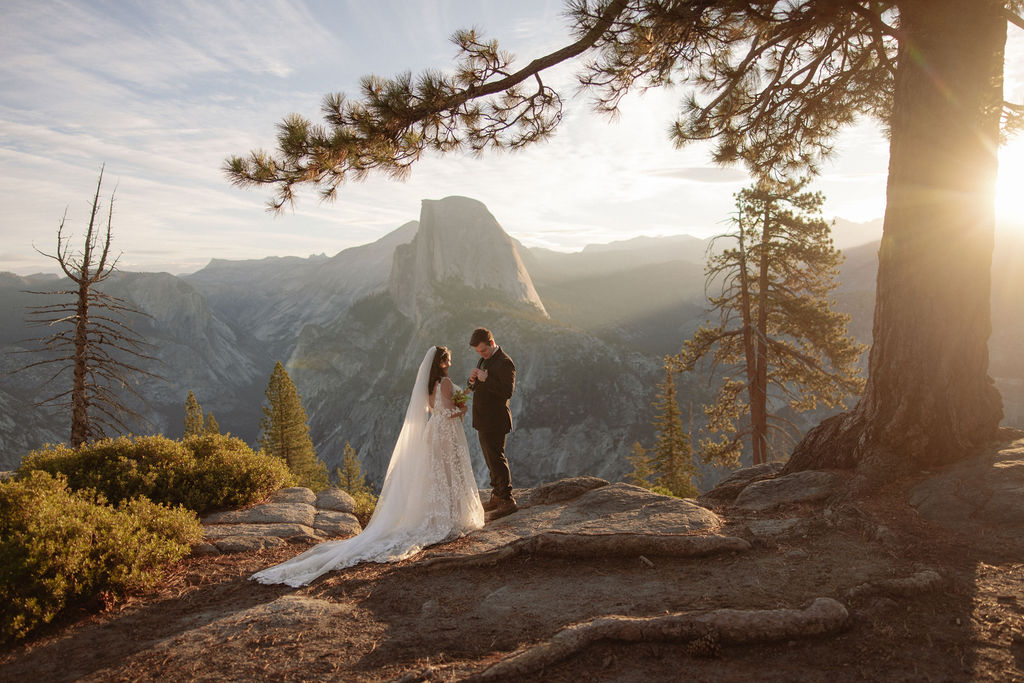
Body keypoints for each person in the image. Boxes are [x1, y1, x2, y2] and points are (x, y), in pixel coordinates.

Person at [251, 346, 484, 587]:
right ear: (443, 361)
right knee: (450, 471)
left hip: (432, 432)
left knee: (437, 474)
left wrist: (467, 390)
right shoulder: (445, 382)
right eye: (449, 358)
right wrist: (463, 409)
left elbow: (434, 409)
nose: (451, 361)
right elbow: (447, 412)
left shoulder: (428, 384)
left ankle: (442, 514)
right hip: (446, 433)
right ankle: (452, 516)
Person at [467, 327, 517, 518]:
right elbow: (478, 386)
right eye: (478, 352)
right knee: (489, 459)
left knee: (497, 458)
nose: (481, 355)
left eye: (484, 350)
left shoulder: (505, 362)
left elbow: (507, 391)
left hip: (495, 419)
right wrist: (472, 381)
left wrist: (486, 379)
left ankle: (507, 500)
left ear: (492, 343)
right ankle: (497, 494)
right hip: (483, 419)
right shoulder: (484, 360)